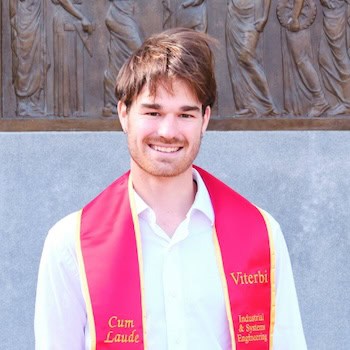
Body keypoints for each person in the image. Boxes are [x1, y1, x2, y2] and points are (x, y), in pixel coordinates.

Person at [35, 28, 307, 349]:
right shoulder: (70, 244)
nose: (168, 131)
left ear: (204, 120)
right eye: (153, 112)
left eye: (185, 114)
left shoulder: (261, 235)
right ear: (124, 114)